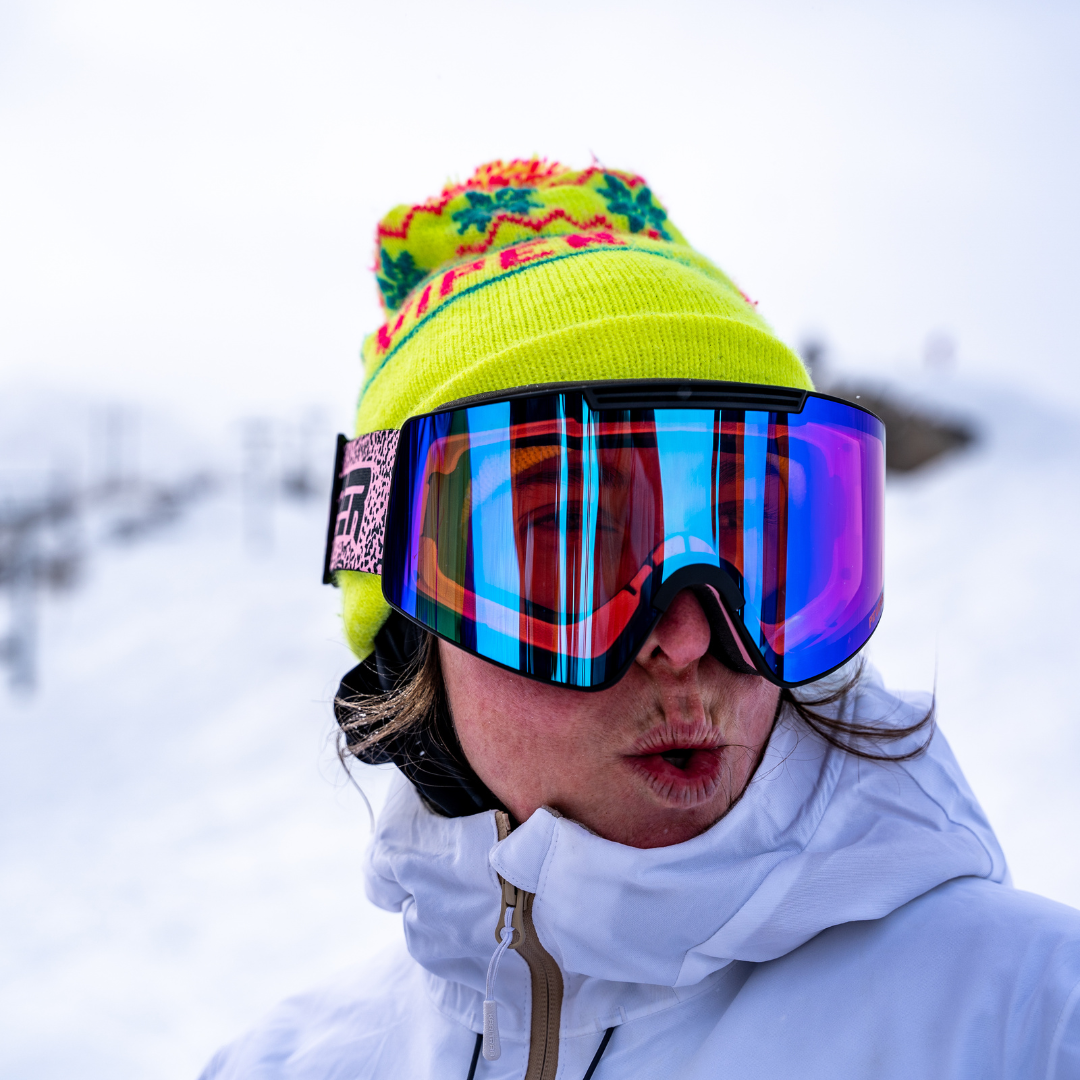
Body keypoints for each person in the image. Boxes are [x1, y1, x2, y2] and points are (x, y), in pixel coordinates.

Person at [201, 159, 1080, 1079]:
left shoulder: (1030, 1028)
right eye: (566, 544)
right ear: (409, 636)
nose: (691, 640)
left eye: (747, 536)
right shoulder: (282, 1065)